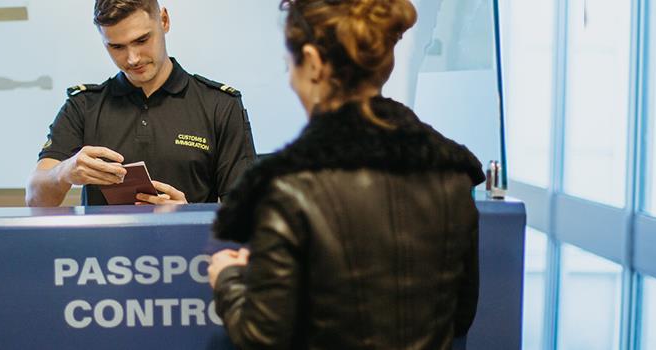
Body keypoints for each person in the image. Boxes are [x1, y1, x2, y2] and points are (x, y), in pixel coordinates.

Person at [207, 0, 486, 348]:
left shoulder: (288, 186)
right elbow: (461, 315)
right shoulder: (453, 173)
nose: (291, 80)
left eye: (289, 65)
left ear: (312, 63)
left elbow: (262, 336)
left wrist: (229, 278)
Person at [26, 0, 257, 207]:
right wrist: (64, 172)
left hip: (188, 253)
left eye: (142, 40)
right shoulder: (82, 106)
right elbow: (35, 200)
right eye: (117, 47)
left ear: (164, 21)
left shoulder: (220, 105)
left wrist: (190, 216)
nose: (132, 58)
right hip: (101, 254)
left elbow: (247, 215)